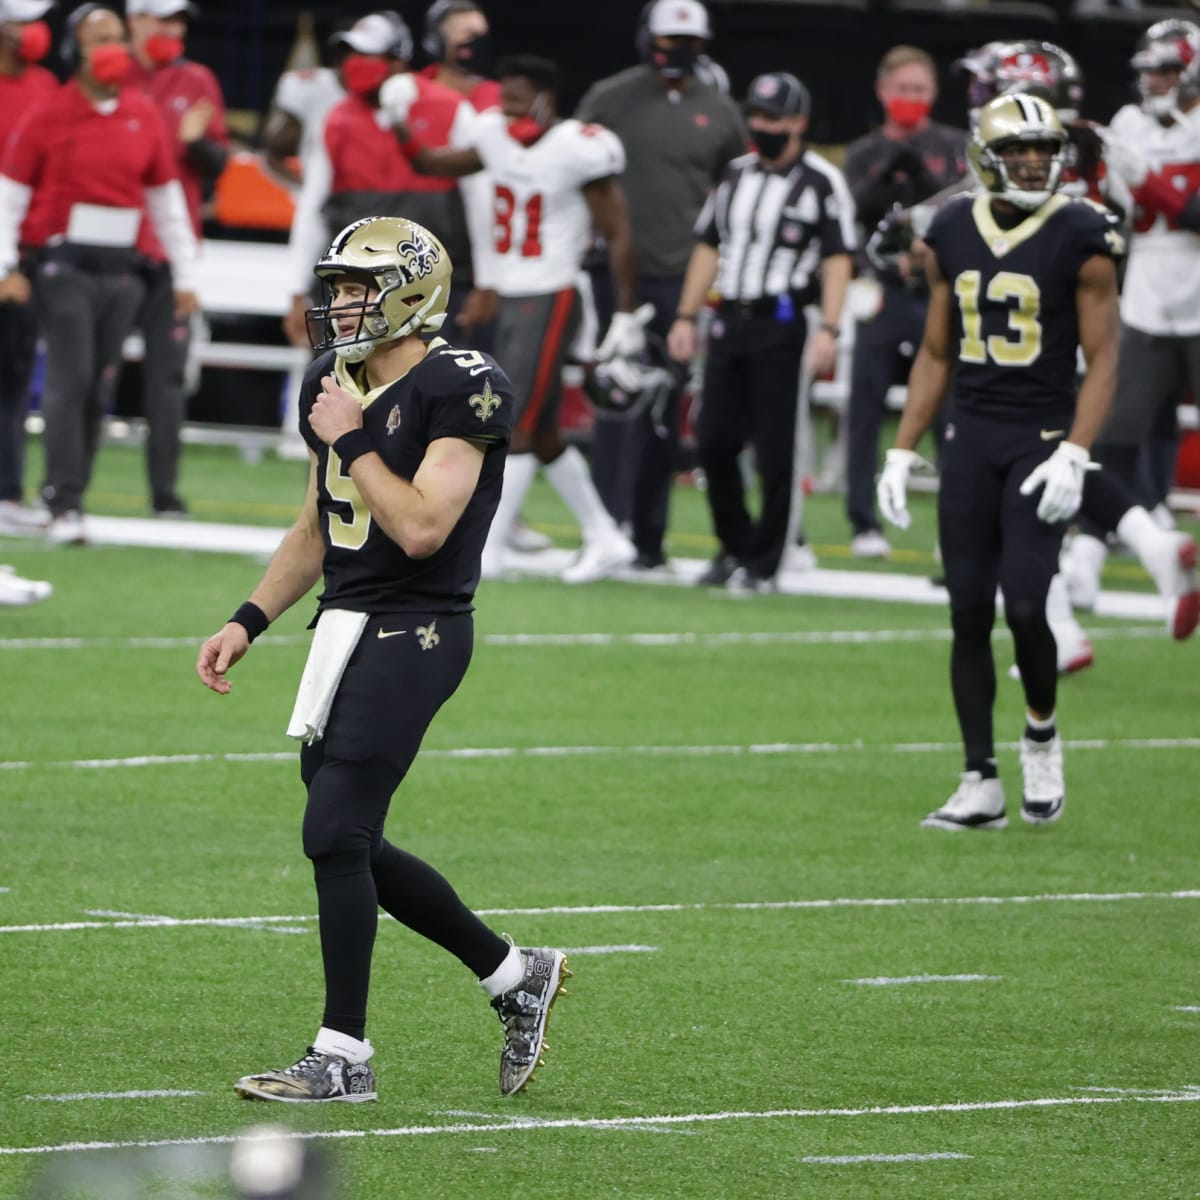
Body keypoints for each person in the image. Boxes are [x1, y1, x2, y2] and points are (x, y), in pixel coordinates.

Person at [196, 215, 569, 1103]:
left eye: (357, 287)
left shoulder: (465, 383)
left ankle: (343, 1056)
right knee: (349, 833)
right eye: (337, 287)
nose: (340, 304)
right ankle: (515, 974)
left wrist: (354, 434)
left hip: (422, 626)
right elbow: (317, 522)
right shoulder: (332, 380)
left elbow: (421, 525)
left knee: (334, 830)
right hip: (345, 623)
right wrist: (250, 616)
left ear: (411, 291)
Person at [876, 94, 1122, 830]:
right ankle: (978, 777)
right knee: (966, 610)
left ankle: (1040, 733)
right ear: (987, 158)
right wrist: (900, 448)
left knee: (1024, 602)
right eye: (1019, 150)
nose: (1034, 162)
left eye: (1044, 150)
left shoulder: (1081, 230)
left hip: (1042, 437)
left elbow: (1106, 354)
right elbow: (936, 350)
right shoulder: (951, 227)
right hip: (972, 436)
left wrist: (1078, 449)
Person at [388, 54, 641, 583]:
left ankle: (488, 548)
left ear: (548, 100)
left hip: (553, 292)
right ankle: (605, 536)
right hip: (512, 293)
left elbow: (618, 232)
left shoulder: (578, 146)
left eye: (520, 101)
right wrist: (401, 127)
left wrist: (622, 313)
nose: (509, 111)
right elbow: (434, 165)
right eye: (504, 100)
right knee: (542, 431)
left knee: (513, 421)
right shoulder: (492, 132)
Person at [0, 3, 198, 546]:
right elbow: (10, 195)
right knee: (72, 373)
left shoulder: (142, 114)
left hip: (123, 270)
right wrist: (6, 266)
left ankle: (67, 491)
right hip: (63, 262)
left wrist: (185, 274)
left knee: (98, 382)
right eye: (97, 39)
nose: (110, 48)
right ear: (74, 50)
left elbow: (165, 201)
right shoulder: (47, 112)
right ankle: (64, 499)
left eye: (116, 37)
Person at [668, 72, 854, 593]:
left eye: (774, 118)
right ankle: (735, 544)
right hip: (729, 318)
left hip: (784, 321)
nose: (763, 127)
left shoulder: (821, 180)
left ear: (799, 122)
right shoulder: (734, 175)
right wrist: (686, 316)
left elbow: (840, 258)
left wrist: (831, 328)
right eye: (758, 116)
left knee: (776, 448)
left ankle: (767, 560)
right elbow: (709, 244)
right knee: (713, 441)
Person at [576, 0, 745, 570]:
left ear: (703, 44)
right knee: (611, 400)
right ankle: (602, 529)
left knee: (664, 408)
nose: (678, 51)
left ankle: (648, 539)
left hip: (680, 278)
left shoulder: (720, 110)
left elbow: (736, 190)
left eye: (688, 42)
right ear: (648, 38)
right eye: (670, 39)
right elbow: (574, 167)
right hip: (614, 274)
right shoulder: (610, 96)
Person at [1061, 19, 1200, 614]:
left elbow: (1193, 210)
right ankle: (1088, 558)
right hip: (1144, 287)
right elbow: (1114, 213)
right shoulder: (1127, 125)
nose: (1156, 82)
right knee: (1116, 432)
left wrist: (1148, 178)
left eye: (1167, 70)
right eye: (1150, 71)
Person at [282, 12, 495, 352]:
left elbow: (480, 203)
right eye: (350, 55)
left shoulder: (449, 108)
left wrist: (487, 283)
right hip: (356, 286)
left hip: (429, 289)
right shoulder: (336, 119)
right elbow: (313, 207)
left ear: (398, 60)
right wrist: (295, 290)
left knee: (430, 387)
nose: (355, 64)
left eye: (368, 55)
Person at [841, 46, 968, 560]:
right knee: (864, 408)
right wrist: (885, 172)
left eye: (919, 91)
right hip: (881, 292)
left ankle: (953, 524)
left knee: (948, 410)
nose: (910, 100)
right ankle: (863, 522)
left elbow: (959, 210)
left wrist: (922, 177)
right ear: (883, 91)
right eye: (902, 90)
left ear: (933, 95)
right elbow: (848, 210)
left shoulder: (952, 145)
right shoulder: (864, 151)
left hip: (935, 292)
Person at [126, 0, 229, 518]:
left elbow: (219, 163)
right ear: (134, 21)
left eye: (179, 21)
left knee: (166, 380)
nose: (172, 30)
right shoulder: (110, 75)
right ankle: (63, 489)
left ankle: (164, 493)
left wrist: (195, 142)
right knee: (82, 375)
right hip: (110, 249)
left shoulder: (197, 80)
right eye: (162, 19)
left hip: (171, 252)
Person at [0, 0, 57, 533]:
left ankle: (7, 493)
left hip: (26, 253)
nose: (33, 32)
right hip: (7, 257)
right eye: (23, 20)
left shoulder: (44, 88)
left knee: (13, 377)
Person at [418, 0, 500, 111]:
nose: (479, 43)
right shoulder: (412, 91)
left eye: (483, 36)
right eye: (471, 35)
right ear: (439, 43)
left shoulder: (496, 97)